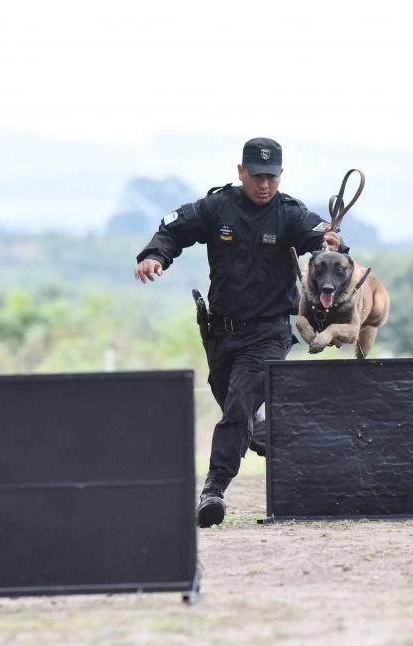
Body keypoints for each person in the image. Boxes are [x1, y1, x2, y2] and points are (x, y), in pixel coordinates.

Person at [134, 137, 346, 528]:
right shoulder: (218, 207)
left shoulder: (290, 214)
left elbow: (325, 244)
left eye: (272, 176)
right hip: (221, 334)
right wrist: (153, 255)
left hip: (268, 335)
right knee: (240, 412)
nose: (264, 184)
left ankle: (213, 489)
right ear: (240, 171)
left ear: (280, 176)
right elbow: (173, 229)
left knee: (237, 409)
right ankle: (303, 451)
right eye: (257, 175)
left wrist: (329, 242)